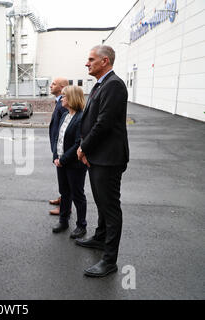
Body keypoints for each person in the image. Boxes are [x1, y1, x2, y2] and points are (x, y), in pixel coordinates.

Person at [76, 45, 129, 277]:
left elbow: (104, 123)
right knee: (101, 202)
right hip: (98, 156)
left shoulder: (114, 85)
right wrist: (86, 149)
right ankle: (99, 238)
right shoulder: (101, 85)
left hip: (108, 158)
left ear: (104, 61)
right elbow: (91, 120)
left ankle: (109, 260)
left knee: (110, 207)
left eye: (91, 59)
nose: (87, 63)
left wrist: (83, 147)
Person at [51, 85, 87, 239]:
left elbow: (78, 143)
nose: (62, 98)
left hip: (74, 164)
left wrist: (63, 160)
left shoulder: (81, 117)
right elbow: (58, 138)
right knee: (64, 192)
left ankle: (81, 225)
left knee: (77, 194)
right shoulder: (65, 115)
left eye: (64, 96)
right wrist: (55, 156)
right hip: (61, 162)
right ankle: (63, 220)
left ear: (72, 98)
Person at [48, 78, 69, 215]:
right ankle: (63, 199)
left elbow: (65, 128)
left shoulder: (64, 104)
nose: (50, 86)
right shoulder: (59, 102)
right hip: (58, 147)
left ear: (62, 87)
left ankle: (65, 208)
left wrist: (59, 151)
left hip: (63, 149)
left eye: (54, 84)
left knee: (65, 180)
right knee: (63, 178)